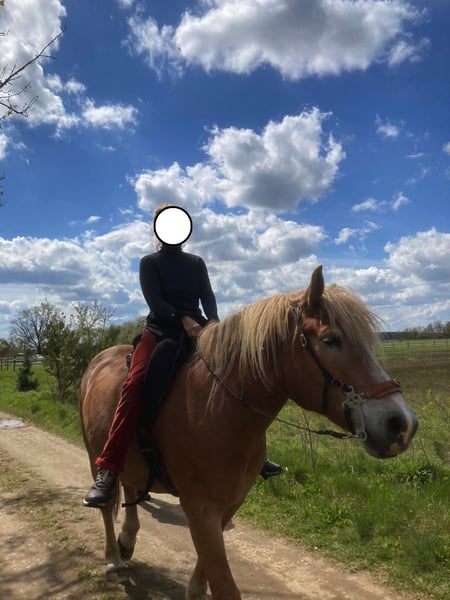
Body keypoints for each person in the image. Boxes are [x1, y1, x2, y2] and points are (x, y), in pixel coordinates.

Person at [83, 204, 281, 508]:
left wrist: (213, 322)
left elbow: (208, 296)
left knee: (237, 379)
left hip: (199, 331)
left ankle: (256, 456)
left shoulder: (196, 262)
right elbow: (155, 301)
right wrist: (182, 318)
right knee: (134, 385)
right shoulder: (149, 263)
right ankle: (109, 468)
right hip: (160, 333)